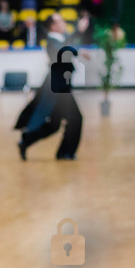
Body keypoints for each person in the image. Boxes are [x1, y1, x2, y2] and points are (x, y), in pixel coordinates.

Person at [15, 13, 83, 161]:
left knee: (53, 125)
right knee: (76, 118)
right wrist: (77, 31)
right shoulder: (52, 42)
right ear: (53, 26)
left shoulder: (59, 39)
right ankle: (65, 153)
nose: (64, 23)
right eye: (60, 21)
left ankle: (26, 140)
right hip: (59, 90)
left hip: (59, 88)